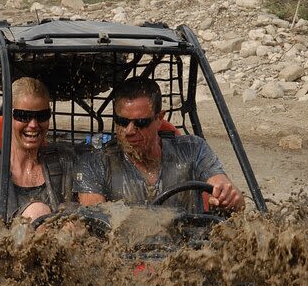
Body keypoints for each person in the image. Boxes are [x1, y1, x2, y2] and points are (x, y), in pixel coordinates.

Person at [74, 76, 242, 212]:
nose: (129, 131)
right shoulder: (94, 164)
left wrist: (229, 197)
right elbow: (94, 222)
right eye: (122, 121)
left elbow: (229, 193)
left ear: (159, 118)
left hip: (189, 248)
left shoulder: (192, 149)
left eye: (140, 123)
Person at [0, 77, 75, 221]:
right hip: (3, 240)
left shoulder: (65, 161)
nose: (33, 124)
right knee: (37, 212)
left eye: (42, 116)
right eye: (24, 116)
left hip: (56, 240)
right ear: (7, 117)